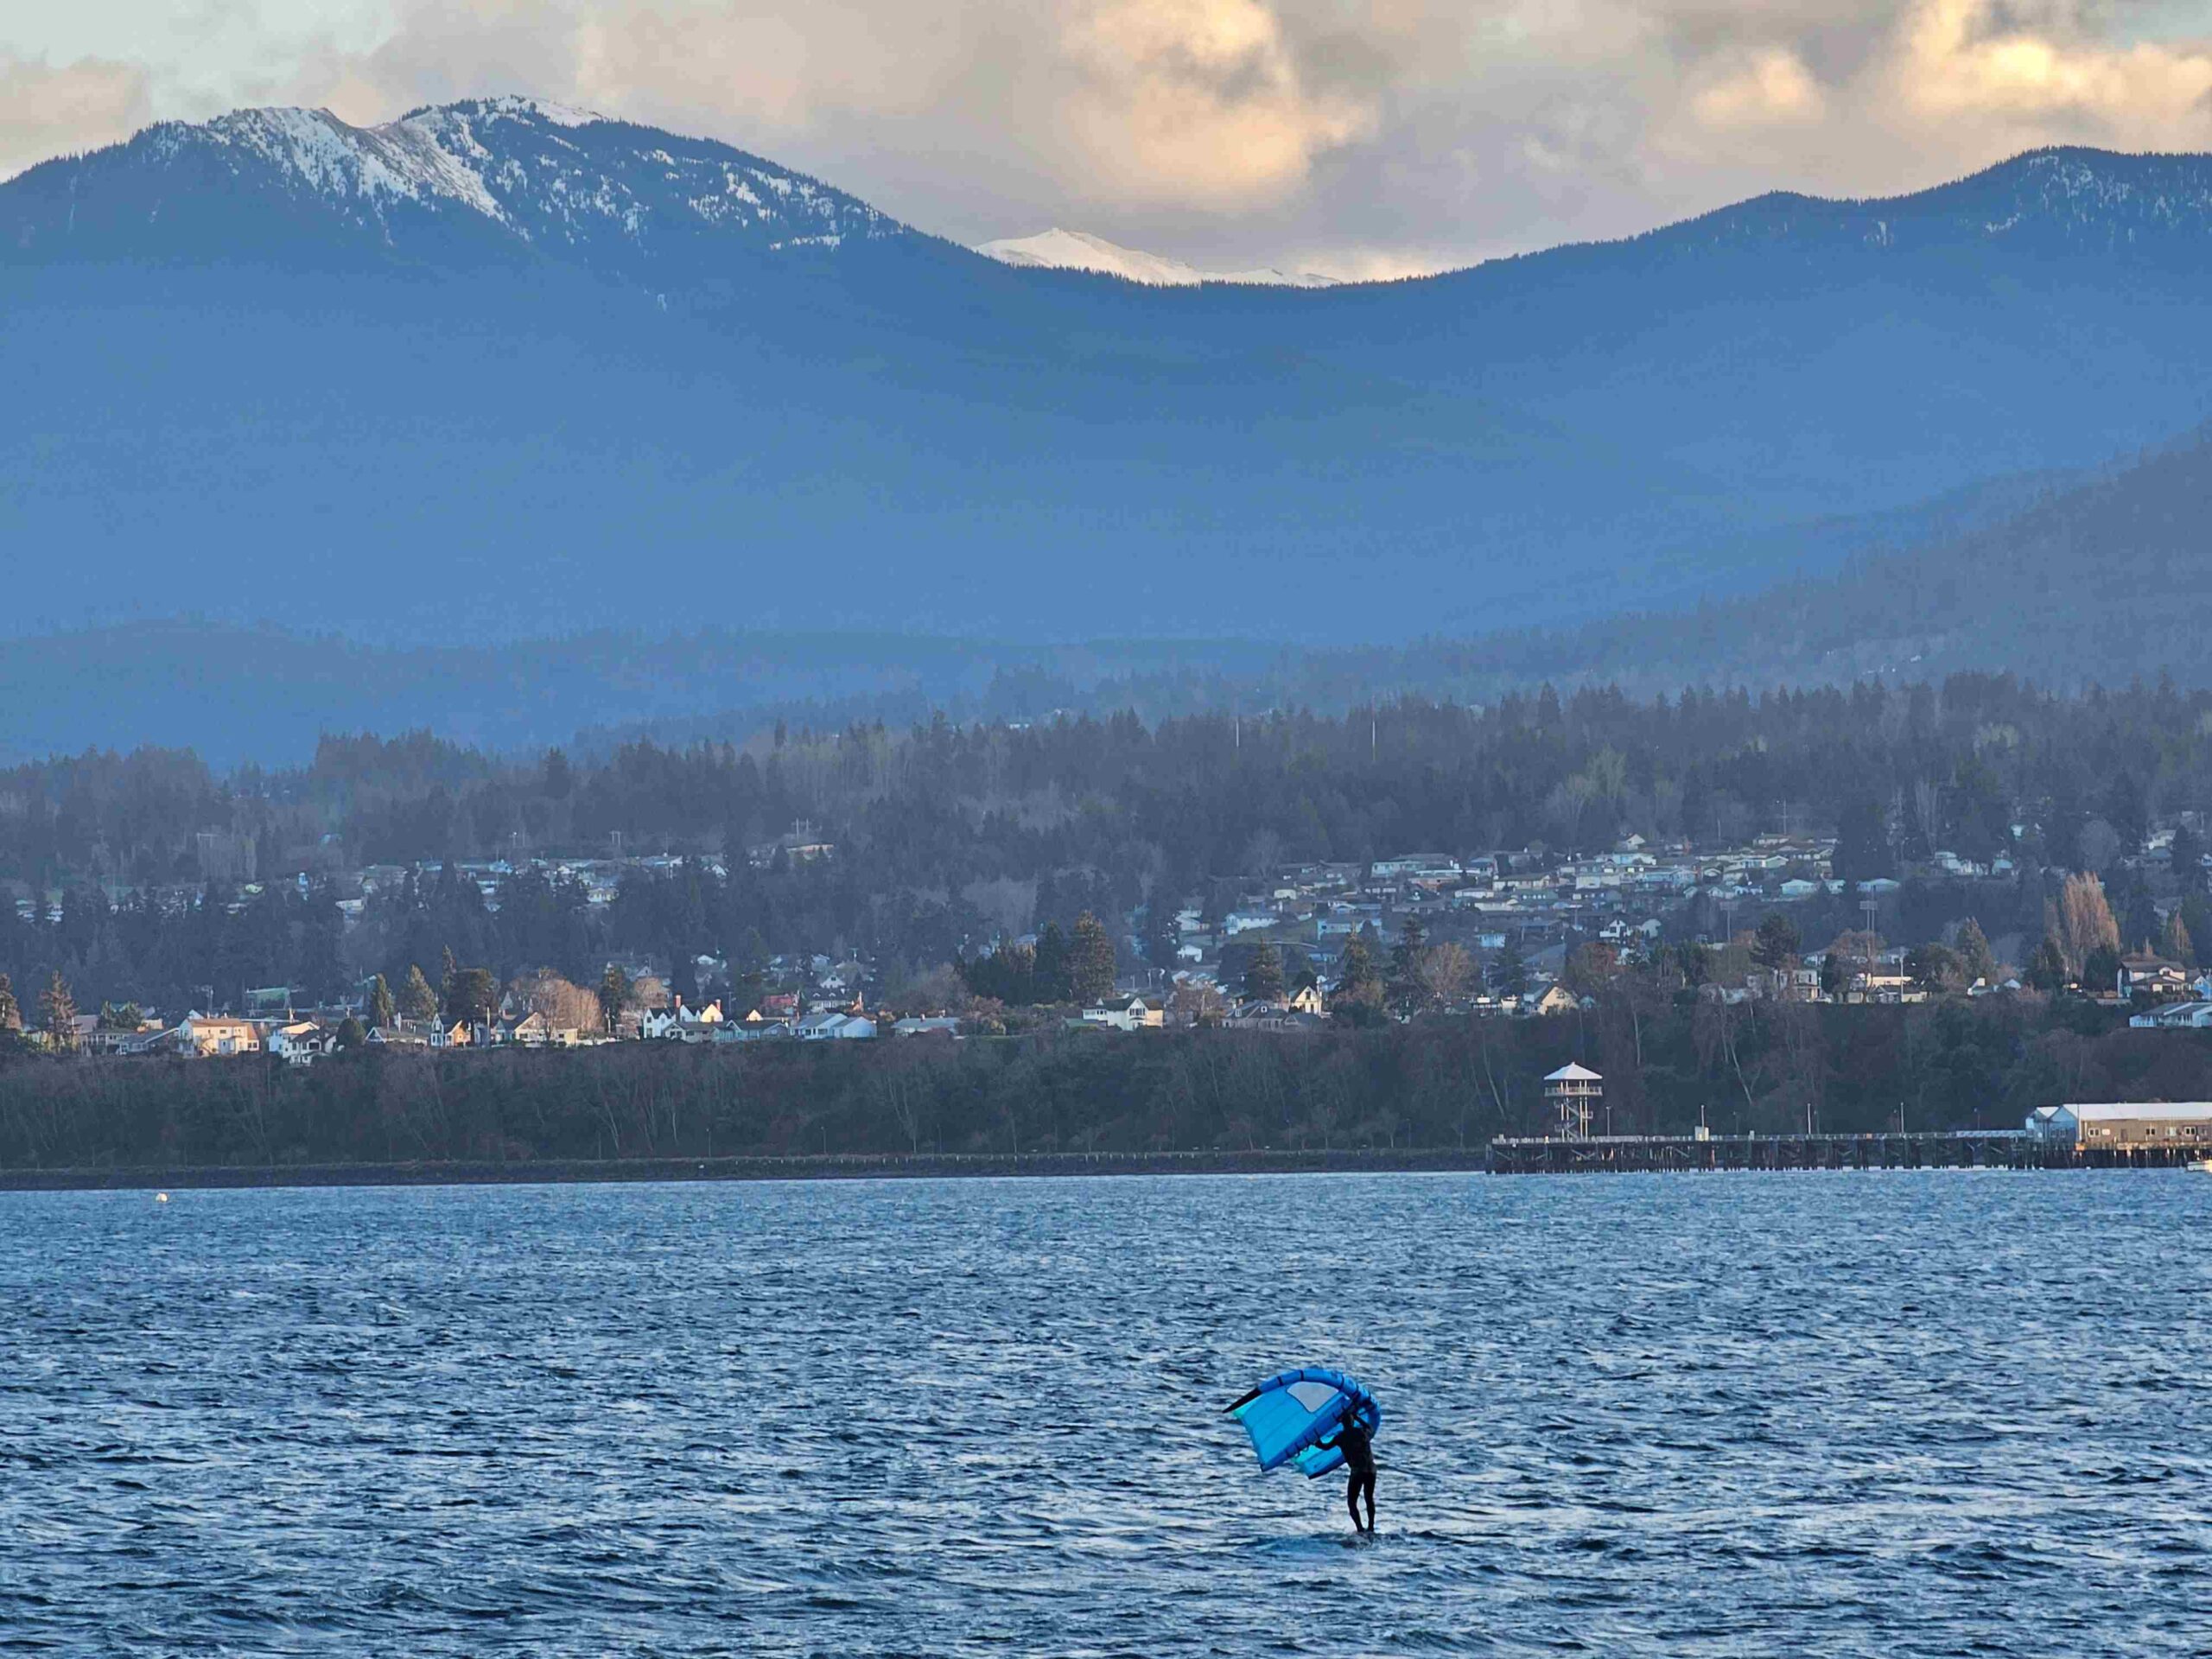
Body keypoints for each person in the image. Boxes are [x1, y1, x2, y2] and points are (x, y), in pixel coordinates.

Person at [1325, 1410, 1376, 1533]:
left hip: (1357, 1471)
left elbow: (1324, 1447)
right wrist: (1358, 1418)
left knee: (1351, 1502)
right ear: (1353, 1421)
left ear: (1342, 1423)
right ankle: (1371, 1527)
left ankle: (1360, 1528)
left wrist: (1313, 1439)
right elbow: (1370, 1427)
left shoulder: (1340, 1437)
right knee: (1369, 1498)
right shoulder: (1362, 1432)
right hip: (1371, 1470)